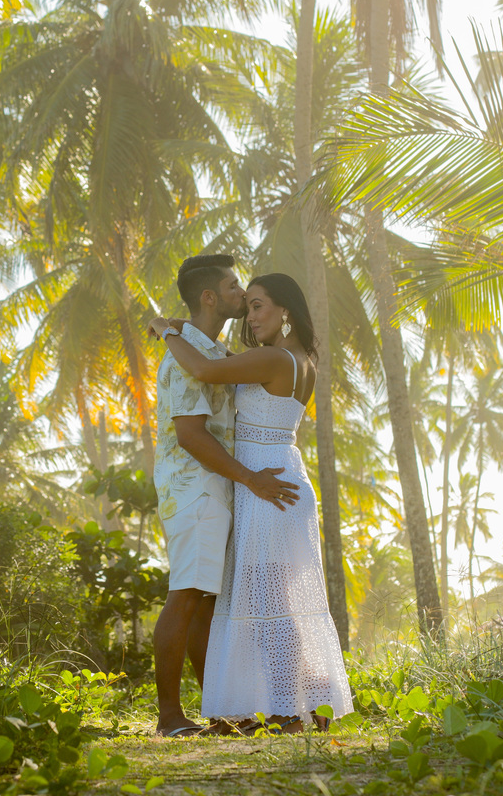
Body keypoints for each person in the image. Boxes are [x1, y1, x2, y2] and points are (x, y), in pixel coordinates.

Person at [149, 273, 353, 734]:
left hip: (266, 484)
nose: (252, 315)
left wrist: (166, 330)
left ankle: (285, 710)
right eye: (251, 306)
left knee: (267, 599)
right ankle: (301, 705)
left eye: (260, 306)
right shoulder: (298, 360)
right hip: (279, 476)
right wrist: (185, 327)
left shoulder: (275, 358)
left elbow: (202, 369)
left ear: (285, 311)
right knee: (277, 598)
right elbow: (215, 357)